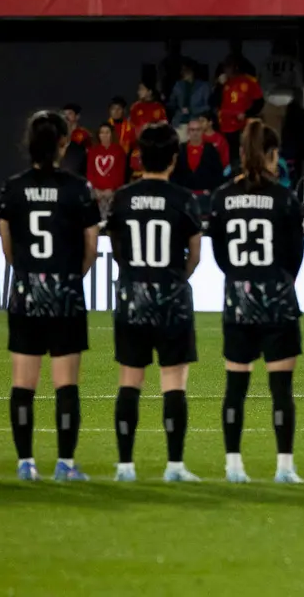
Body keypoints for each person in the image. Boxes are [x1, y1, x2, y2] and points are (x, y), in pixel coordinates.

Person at [1, 112, 100, 482]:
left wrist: (27, 273)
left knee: (23, 383)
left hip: (26, 291)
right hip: (65, 292)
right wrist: (72, 276)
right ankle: (65, 464)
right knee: (66, 383)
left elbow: (6, 244)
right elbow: (91, 245)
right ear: (63, 143)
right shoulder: (78, 188)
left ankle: (26, 462)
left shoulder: (13, 187)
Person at [207, 120, 304, 483]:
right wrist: (279, 283)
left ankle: (233, 465)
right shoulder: (284, 199)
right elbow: (296, 253)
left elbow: (219, 254)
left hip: (237, 300)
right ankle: (284, 467)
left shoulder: (221, 197)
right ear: (270, 155)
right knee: (281, 390)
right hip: (277, 299)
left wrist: (239, 279)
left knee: (236, 387)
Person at [105, 123, 203, 483]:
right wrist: (176, 280)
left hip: (133, 297)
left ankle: (125, 466)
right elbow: (194, 255)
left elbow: (116, 248)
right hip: (172, 297)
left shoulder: (123, 198)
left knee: (130, 381)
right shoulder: (183, 199)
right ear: (173, 160)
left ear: (138, 157)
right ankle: (175, 466)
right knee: (174, 382)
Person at [87, 122, 127, 215]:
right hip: (96, 192)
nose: (104, 135)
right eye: (102, 132)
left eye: (107, 132)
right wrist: (95, 189)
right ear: (98, 135)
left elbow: (120, 173)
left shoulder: (119, 150)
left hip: (113, 192)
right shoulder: (93, 151)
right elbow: (90, 172)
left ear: (111, 134)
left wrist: (112, 189)